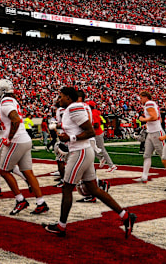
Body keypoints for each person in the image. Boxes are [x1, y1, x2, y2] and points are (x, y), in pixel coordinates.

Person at [44, 87, 136, 238]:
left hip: (79, 152)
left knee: (67, 188)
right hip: (83, 151)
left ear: (68, 97)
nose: (58, 99)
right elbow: (76, 127)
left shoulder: (74, 108)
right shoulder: (72, 109)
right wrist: (60, 129)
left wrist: (70, 138)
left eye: (61, 97)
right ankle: (125, 216)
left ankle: (61, 226)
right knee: (94, 190)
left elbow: (90, 131)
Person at [0, 79, 48, 215]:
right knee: (28, 172)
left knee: (3, 171)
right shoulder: (12, 101)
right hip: (25, 139)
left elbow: (15, 119)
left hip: (17, 141)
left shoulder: (5, 102)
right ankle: (41, 202)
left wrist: (10, 137)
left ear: (2, 90)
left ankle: (20, 200)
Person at [88, 101, 117, 173]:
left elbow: (97, 124)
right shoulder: (95, 112)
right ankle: (101, 158)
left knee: (101, 149)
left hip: (97, 133)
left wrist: (89, 127)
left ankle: (111, 165)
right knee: (89, 148)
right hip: (96, 133)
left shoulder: (93, 113)